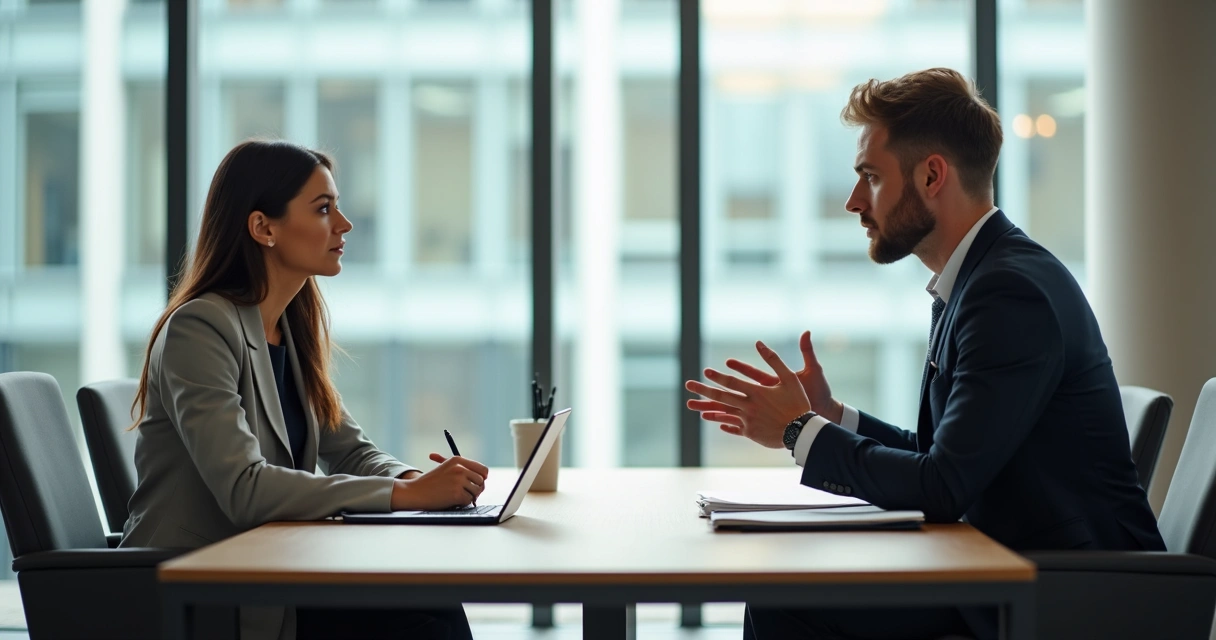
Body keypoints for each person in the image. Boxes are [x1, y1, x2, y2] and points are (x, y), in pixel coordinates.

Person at [685, 68, 1165, 640]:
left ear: (932, 174)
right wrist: (833, 418)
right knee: (787, 593)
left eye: (870, 176)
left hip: (1067, 595)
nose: (853, 200)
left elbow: (942, 487)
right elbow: (950, 458)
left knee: (784, 602)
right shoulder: (979, 279)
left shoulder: (1008, 293)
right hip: (1011, 569)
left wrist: (797, 431)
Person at [122, 140, 485, 640]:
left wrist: (418, 481)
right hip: (203, 589)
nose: (344, 225)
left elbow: (350, 450)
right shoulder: (200, 328)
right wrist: (403, 494)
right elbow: (245, 488)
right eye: (323, 209)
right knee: (422, 618)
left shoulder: (288, 329)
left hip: (268, 569)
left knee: (431, 606)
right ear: (263, 228)